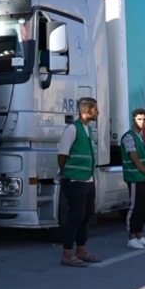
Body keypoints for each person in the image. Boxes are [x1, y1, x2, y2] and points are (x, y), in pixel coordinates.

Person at [57, 98, 104, 266]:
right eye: (95, 109)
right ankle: (67, 254)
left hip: (88, 179)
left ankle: (82, 250)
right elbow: (62, 155)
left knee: (86, 217)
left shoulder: (88, 130)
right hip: (75, 180)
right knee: (75, 217)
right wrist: (68, 173)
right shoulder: (72, 129)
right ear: (86, 111)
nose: (98, 112)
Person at [121, 107, 145, 249]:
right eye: (139, 119)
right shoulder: (129, 136)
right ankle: (131, 238)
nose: (142, 122)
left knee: (142, 207)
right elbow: (134, 158)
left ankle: (140, 236)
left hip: (142, 176)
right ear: (133, 119)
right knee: (134, 207)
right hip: (135, 176)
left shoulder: (140, 137)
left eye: (144, 119)